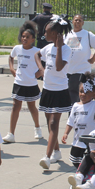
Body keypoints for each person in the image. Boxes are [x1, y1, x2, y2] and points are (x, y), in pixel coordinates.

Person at [37, 15, 73, 170]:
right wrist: (41, 69)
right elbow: (37, 55)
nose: (44, 34)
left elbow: (59, 67)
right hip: (47, 90)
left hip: (60, 91)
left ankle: (47, 156)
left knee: (53, 123)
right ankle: (57, 152)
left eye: (47, 32)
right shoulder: (47, 48)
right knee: (48, 122)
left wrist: (58, 47)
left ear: (57, 34)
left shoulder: (66, 50)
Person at [2, 21, 44, 143]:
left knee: (32, 107)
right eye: (23, 36)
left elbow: (45, 63)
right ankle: (11, 134)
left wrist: (38, 74)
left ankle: (37, 128)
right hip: (18, 82)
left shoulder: (37, 51)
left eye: (27, 37)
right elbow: (11, 57)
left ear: (33, 39)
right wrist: (11, 68)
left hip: (31, 84)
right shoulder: (17, 48)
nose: (24, 39)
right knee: (16, 107)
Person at [62, 72, 95, 167]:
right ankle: (80, 173)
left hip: (90, 142)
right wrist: (66, 133)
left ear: (94, 94)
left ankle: (82, 175)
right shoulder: (75, 106)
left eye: (86, 92)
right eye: (81, 91)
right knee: (75, 161)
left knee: (88, 162)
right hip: (77, 141)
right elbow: (70, 121)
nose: (82, 94)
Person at [64, 14, 95, 104]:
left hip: (81, 70)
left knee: (76, 95)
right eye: (76, 20)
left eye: (80, 20)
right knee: (70, 95)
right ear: (72, 22)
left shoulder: (87, 34)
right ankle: (73, 114)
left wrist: (93, 59)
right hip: (68, 71)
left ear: (83, 23)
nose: (77, 22)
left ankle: (75, 114)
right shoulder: (67, 34)